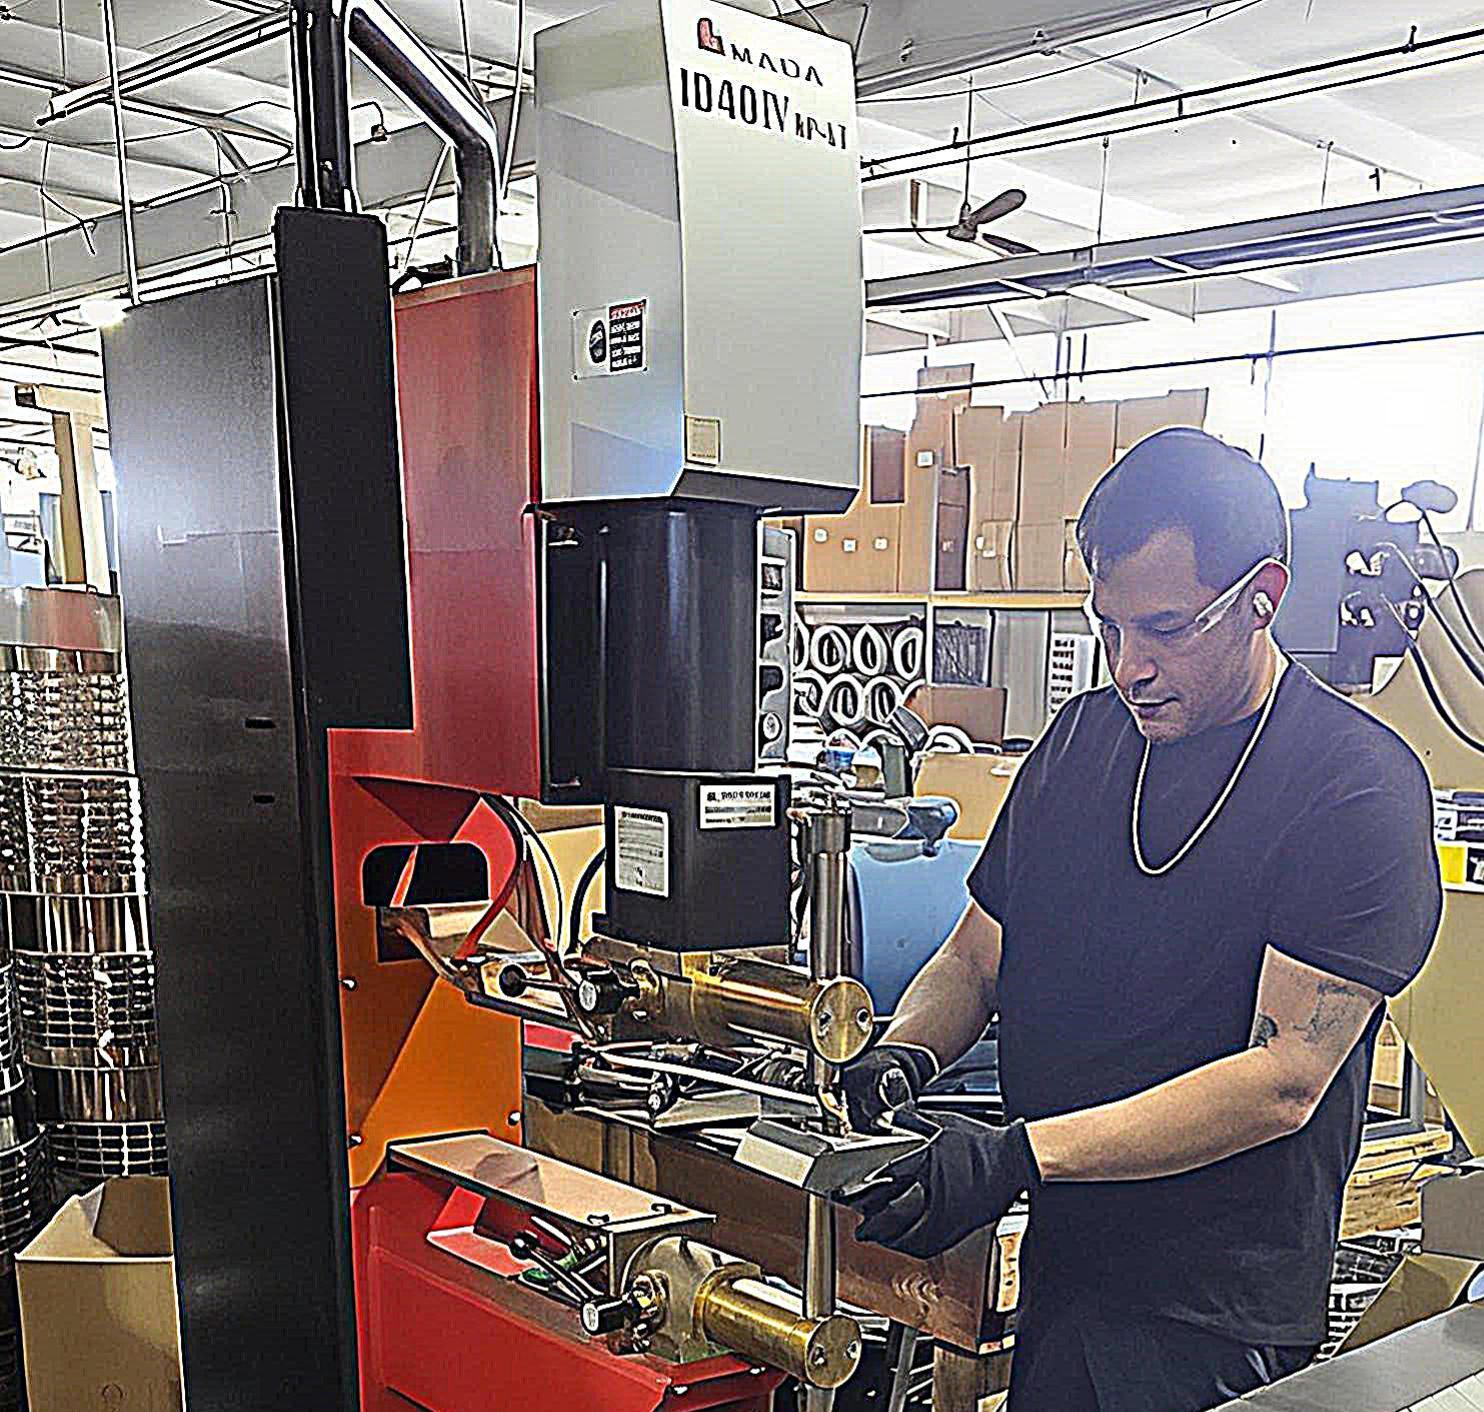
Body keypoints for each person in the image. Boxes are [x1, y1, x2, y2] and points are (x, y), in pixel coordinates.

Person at [843, 427, 1442, 1412]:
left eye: (1165, 628)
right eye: (1108, 627)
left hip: (1210, 1316)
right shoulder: (1081, 743)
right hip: (1065, 1269)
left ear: (1261, 596)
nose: (1129, 667)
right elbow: (973, 954)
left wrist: (1016, 1153)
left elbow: (1281, 1079)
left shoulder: (1351, 788)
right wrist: (904, 1049)